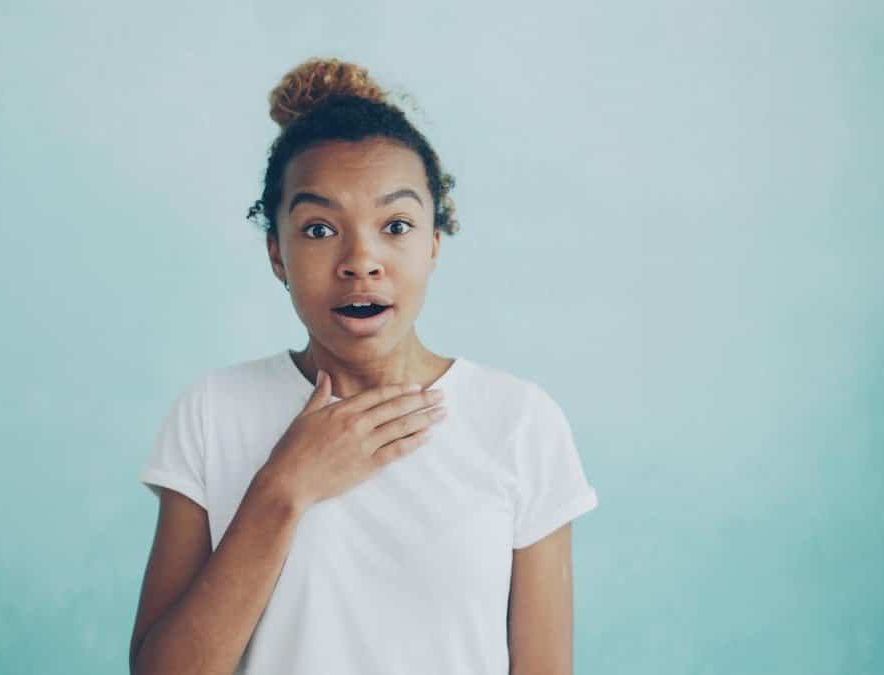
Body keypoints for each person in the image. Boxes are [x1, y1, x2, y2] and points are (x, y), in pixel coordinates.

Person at [129, 57, 599, 675]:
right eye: (319, 229)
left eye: (396, 225)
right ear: (277, 253)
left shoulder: (520, 422)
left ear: (433, 243)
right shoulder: (213, 412)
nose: (361, 260)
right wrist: (283, 487)